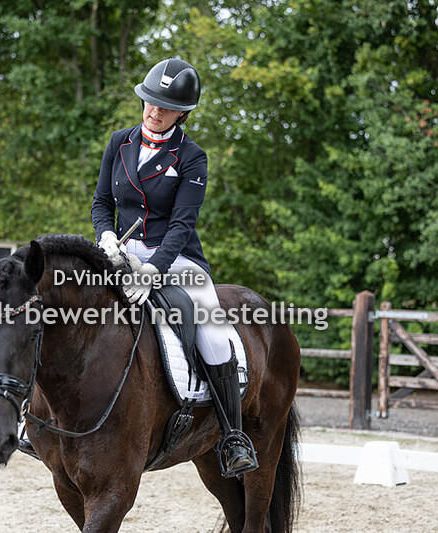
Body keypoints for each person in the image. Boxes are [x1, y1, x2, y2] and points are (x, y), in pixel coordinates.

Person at [91, 58, 258, 478]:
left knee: (214, 336)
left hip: (176, 260)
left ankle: (233, 436)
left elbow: (183, 225)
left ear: (182, 113)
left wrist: (154, 270)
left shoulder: (192, 157)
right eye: (151, 101)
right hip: (120, 253)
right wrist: (105, 237)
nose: (155, 111)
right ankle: (39, 420)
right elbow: (101, 203)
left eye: (166, 107)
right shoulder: (119, 142)